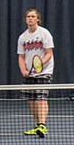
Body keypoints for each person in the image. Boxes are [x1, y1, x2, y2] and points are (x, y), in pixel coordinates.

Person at [17, 8, 54, 138]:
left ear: (38, 19)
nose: (30, 18)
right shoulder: (23, 37)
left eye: (33, 16)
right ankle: (38, 125)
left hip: (44, 71)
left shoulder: (44, 33)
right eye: (28, 16)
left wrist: (39, 66)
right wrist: (23, 70)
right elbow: (21, 57)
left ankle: (42, 125)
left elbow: (49, 53)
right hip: (29, 72)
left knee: (41, 98)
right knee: (31, 100)